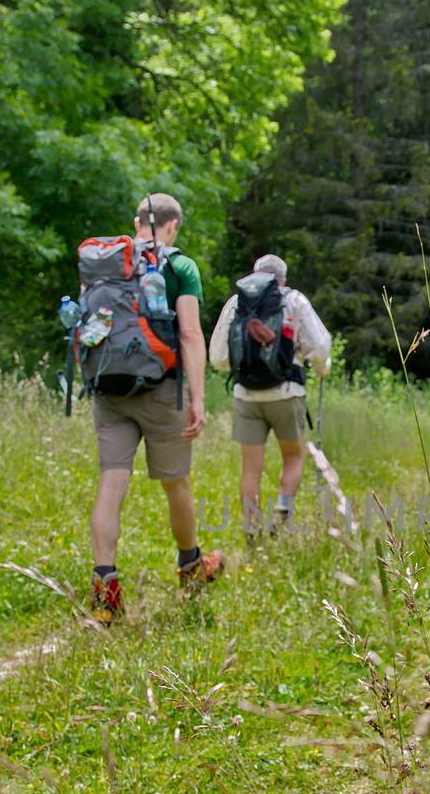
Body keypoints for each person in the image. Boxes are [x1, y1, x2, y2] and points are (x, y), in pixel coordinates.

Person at [87, 194, 224, 621]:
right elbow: (189, 335)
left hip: (108, 389)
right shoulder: (179, 266)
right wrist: (198, 399)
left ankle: (106, 594)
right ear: (173, 225)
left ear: (137, 222)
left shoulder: (104, 262)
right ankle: (191, 567)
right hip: (162, 389)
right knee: (176, 483)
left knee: (111, 484)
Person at [209, 253, 331, 534]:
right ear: (282, 278)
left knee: (250, 467)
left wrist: (244, 368)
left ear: (255, 274)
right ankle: (282, 513)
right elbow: (320, 347)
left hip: (246, 396)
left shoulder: (236, 302)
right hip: (287, 393)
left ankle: (252, 529)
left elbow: (217, 357)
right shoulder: (294, 300)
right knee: (294, 457)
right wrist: (321, 368)